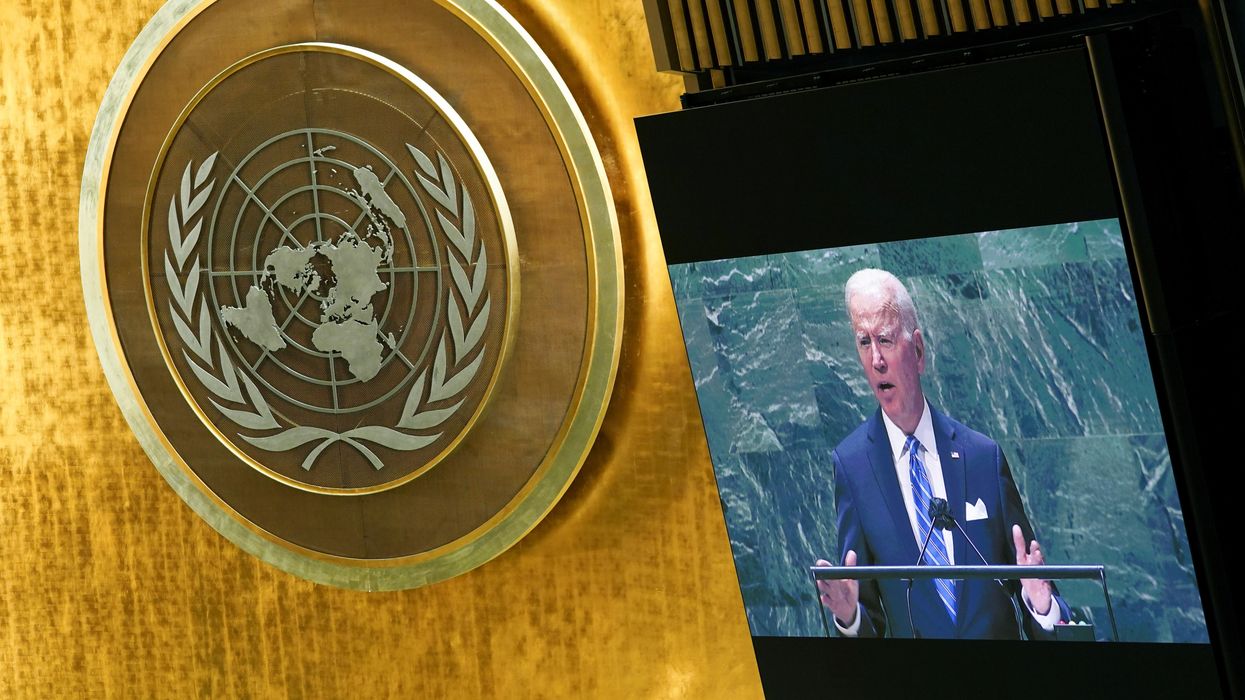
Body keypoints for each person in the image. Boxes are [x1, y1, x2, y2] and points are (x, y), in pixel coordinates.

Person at [814, 268, 1070, 639]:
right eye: (864, 343)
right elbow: (867, 619)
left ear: (917, 351)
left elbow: (1038, 588)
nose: (876, 359)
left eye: (885, 339)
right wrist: (849, 616)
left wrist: (1043, 606)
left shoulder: (982, 458)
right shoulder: (854, 467)